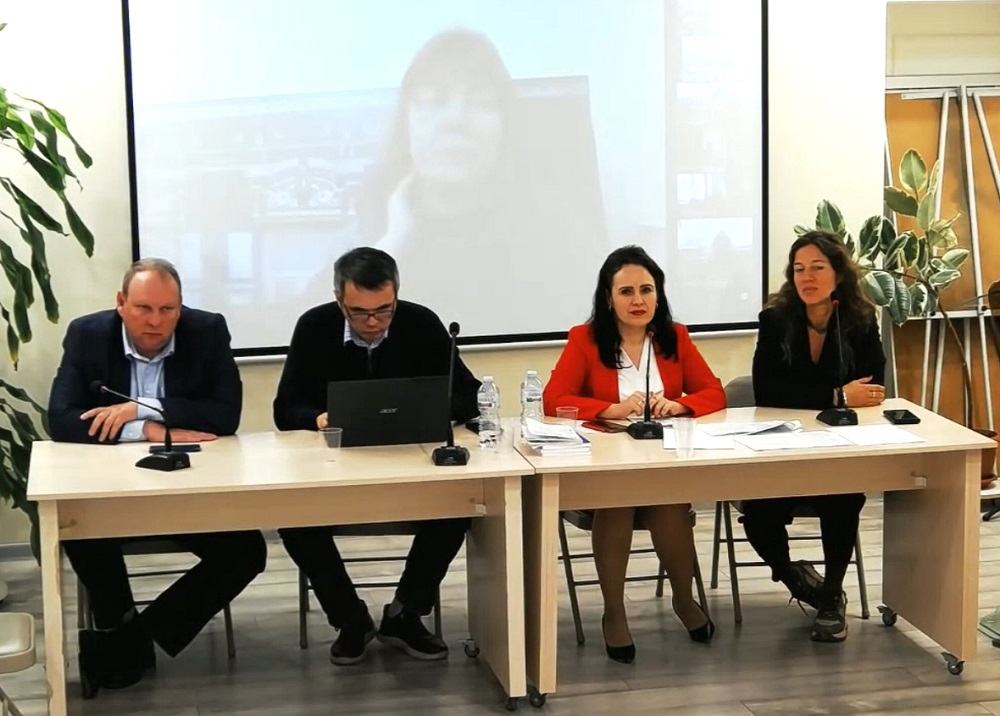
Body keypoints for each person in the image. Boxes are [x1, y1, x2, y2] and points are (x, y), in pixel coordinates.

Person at [47, 258, 267, 696]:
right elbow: (61, 419)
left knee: (247, 552)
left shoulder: (207, 331)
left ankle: (131, 641)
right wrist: (147, 429)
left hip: (187, 491)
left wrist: (139, 407)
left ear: (181, 307)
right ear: (120, 303)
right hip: (111, 491)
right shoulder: (88, 335)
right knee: (82, 530)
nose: (156, 321)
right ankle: (120, 628)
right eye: (144, 308)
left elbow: (226, 416)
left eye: (168, 310)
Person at [301, 28, 607, 330]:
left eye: (480, 103)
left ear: (505, 126)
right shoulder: (372, 224)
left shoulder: (557, 229)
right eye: (434, 102)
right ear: (407, 124)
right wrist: (392, 247)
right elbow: (315, 335)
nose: (455, 121)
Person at [274, 246, 480, 665]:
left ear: (396, 296)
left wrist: (430, 407)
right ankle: (350, 619)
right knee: (293, 520)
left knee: (461, 506)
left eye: (384, 311)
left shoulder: (421, 323)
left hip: (411, 465)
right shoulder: (314, 327)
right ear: (339, 301)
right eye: (359, 313)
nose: (372, 323)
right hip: (334, 468)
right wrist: (317, 418)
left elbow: (470, 395)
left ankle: (405, 613)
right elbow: (284, 410)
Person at [543, 245, 726, 663]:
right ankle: (614, 611)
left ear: (658, 294)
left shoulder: (674, 336)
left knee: (668, 500)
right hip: (605, 464)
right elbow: (555, 399)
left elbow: (713, 392)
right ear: (609, 298)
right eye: (626, 291)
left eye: (646, 290)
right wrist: (610, 409)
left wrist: (679, 405)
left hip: (661, 459)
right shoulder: (585, 339)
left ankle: (684, 599)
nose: (638, 300)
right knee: (618, 500)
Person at [744, 229, 886, 643]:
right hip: (781, 448)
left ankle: (831, 596)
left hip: (838, 449)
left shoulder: (860, 319)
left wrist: (822, 396)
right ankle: (799, 581)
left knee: (842, 499)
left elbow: (874, 388)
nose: (806, 277)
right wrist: (837, 395)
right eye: (798, 269)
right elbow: (767, 390)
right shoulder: (775, 320)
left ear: (838, 273)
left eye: (817, 268)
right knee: (758, 514)